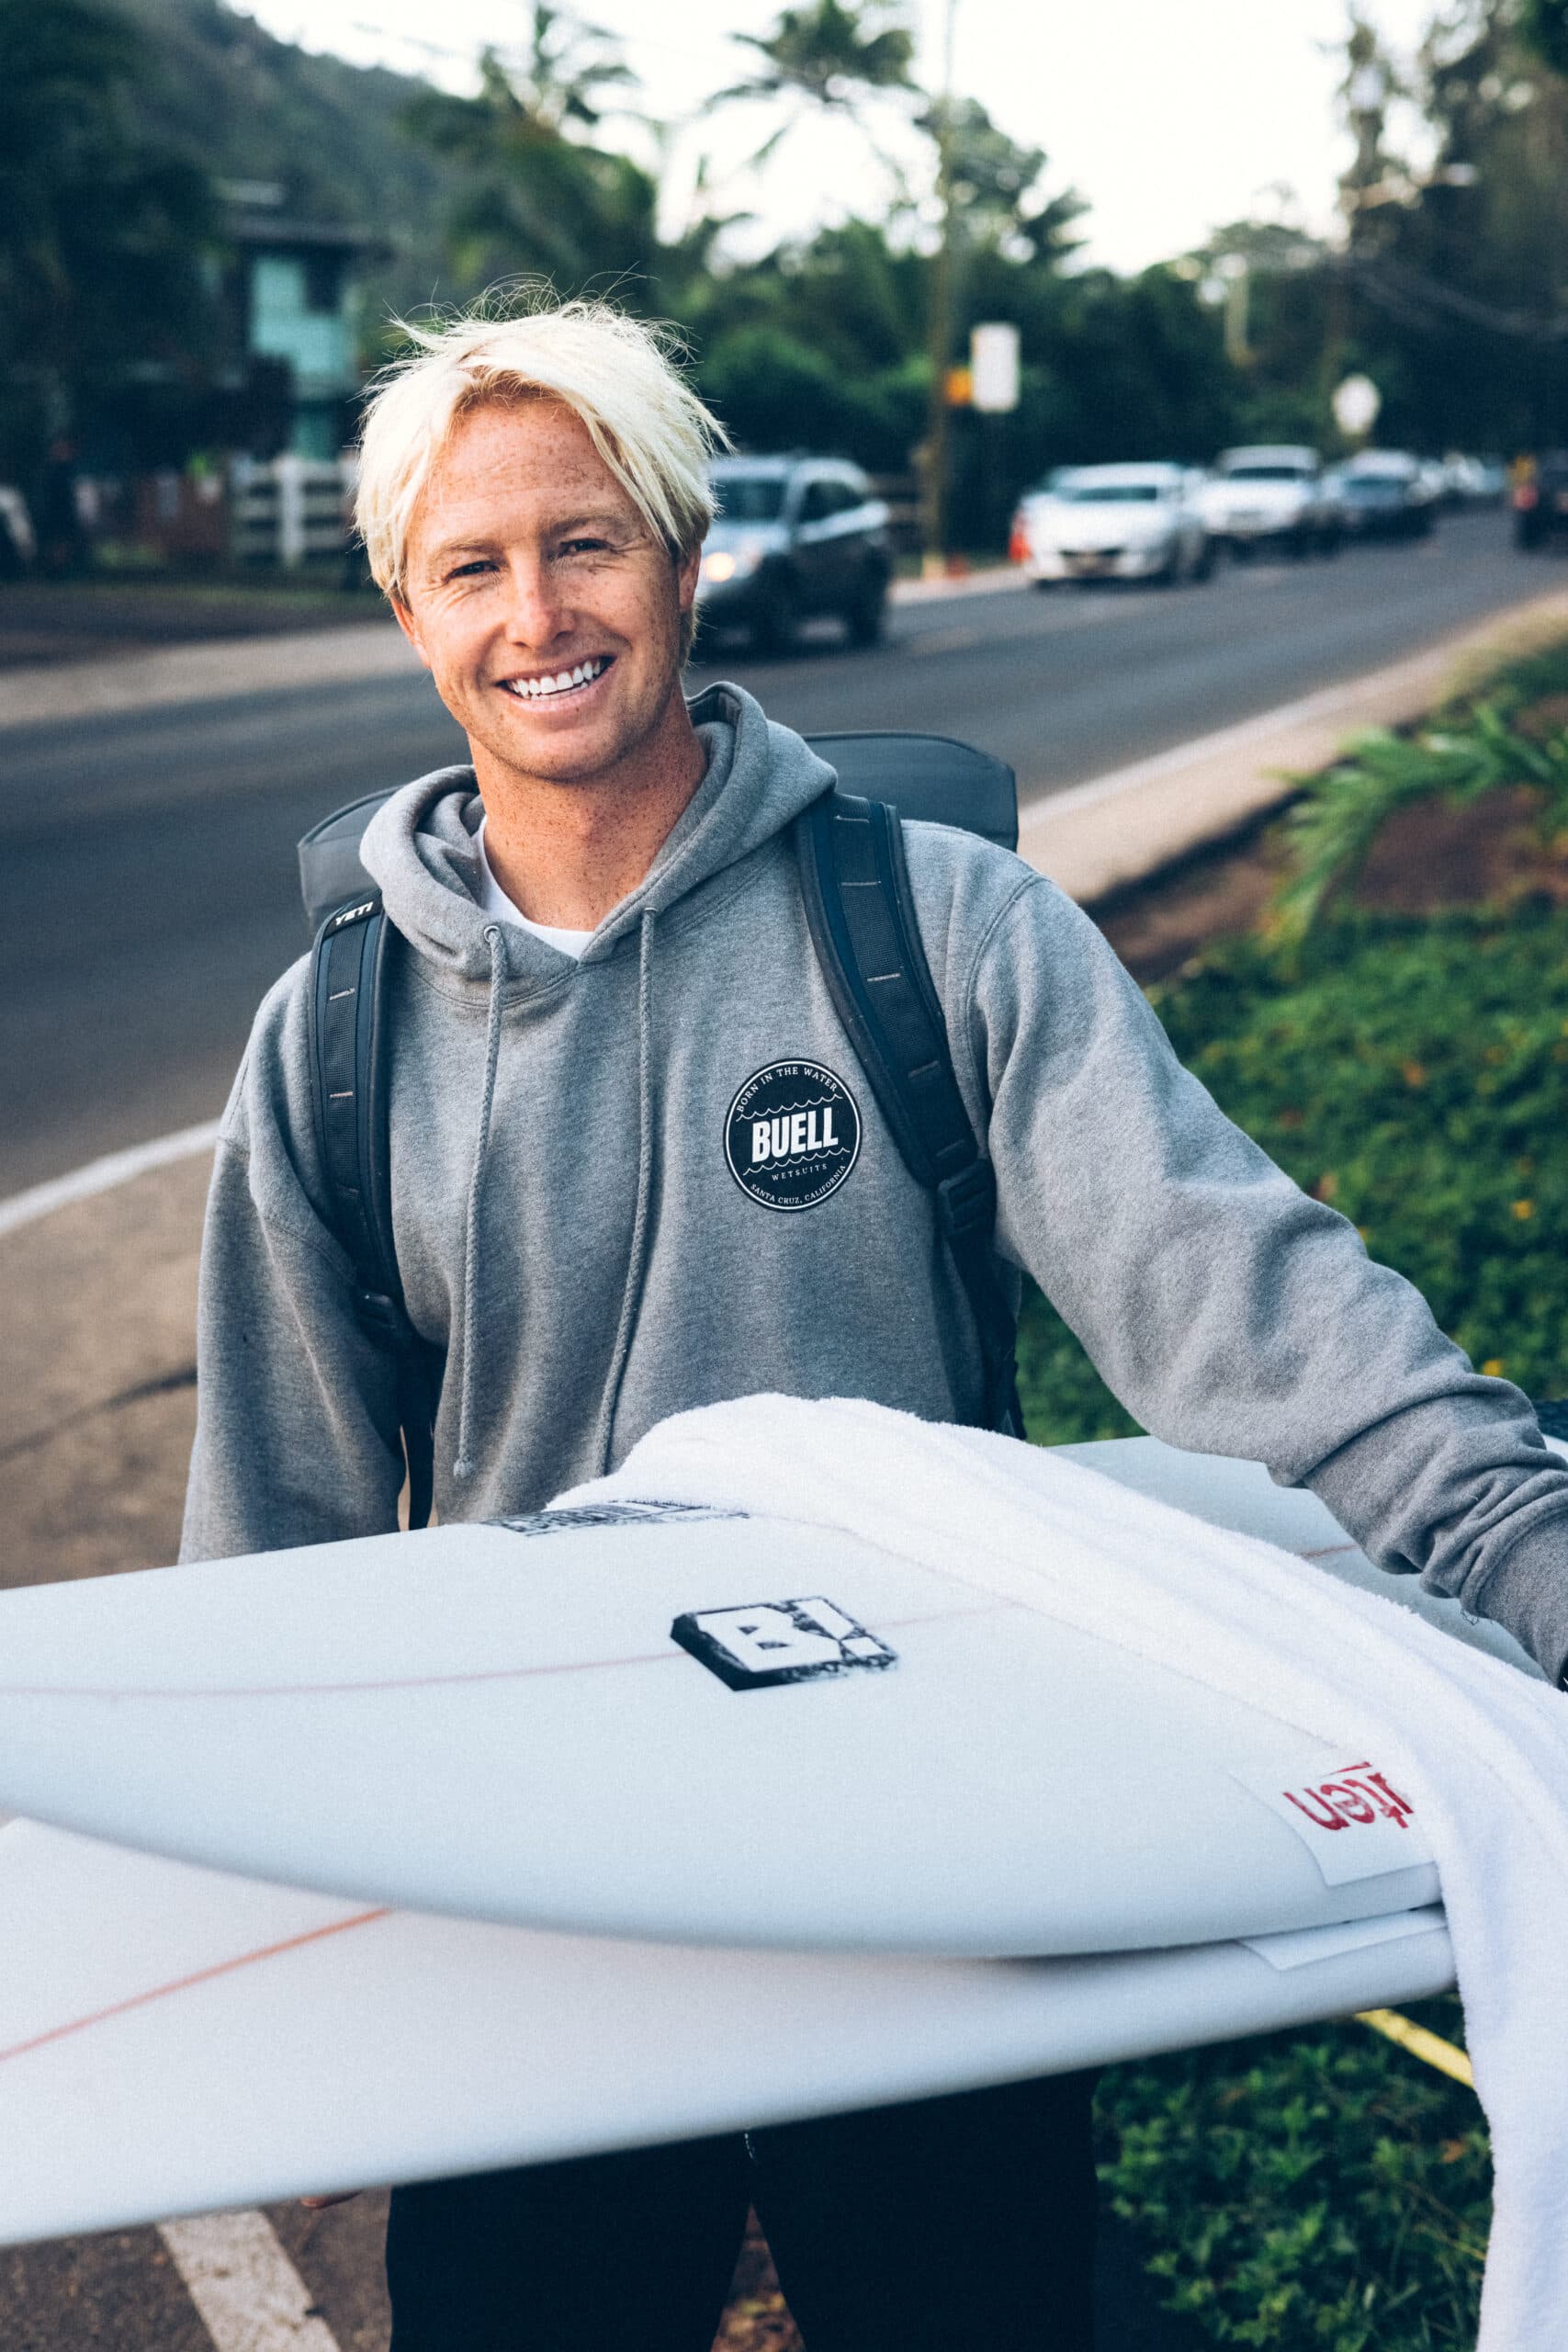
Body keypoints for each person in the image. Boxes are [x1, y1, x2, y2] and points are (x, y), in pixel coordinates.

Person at [183, 299, 1568, 2351]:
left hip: (931, 1860)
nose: (537, 611)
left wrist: (1523, 1546)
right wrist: (257, 1952)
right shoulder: (336, 1041)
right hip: (550, 1898)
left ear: (681, 555)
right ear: (406, 604)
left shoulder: (936, 926)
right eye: (472, 564)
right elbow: (273, 1542)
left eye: (587, 541)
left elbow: (1247, 1300)